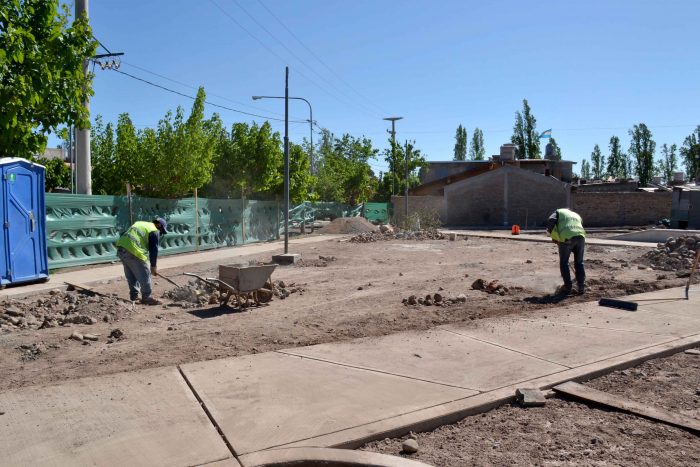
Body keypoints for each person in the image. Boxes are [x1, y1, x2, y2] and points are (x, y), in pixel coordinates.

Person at [116, 218, 168, 304]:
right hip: (133, 249)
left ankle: (135, 296)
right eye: (162, 231)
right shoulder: (154, 230)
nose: (160, 233)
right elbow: (153, 250)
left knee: (131, 274)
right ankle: (147, 297)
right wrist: (153, 266)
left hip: (121, 247)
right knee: (145, 273)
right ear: (159, 225)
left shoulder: (141, 223)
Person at [547, 208, 586, 295]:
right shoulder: (575, 215)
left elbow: (551, 221)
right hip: (581, 236)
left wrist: (554, 236)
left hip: (566, 237)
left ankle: (568, 287)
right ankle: (581, 286)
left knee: (564, 263)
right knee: (579, 262)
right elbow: (579, 224)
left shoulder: (557, 212)